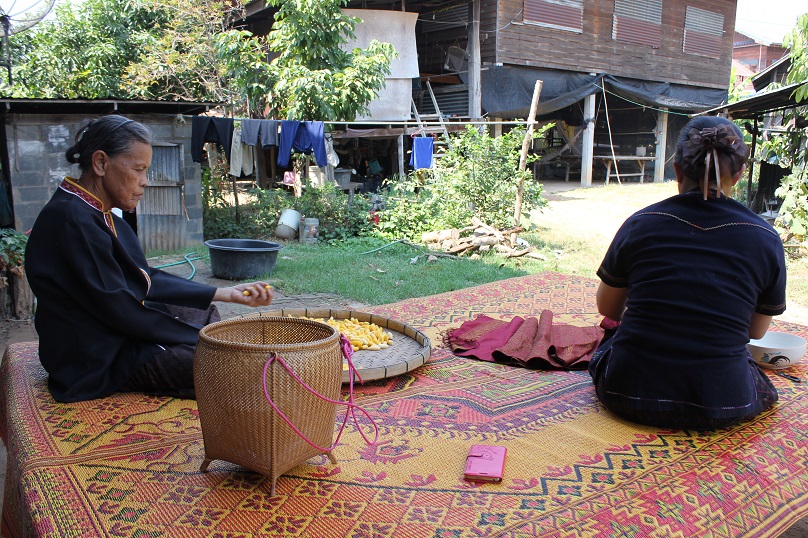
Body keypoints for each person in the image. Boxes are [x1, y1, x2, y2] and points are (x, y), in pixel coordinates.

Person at [25, 115, 274, 403]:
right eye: (138, 169)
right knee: (227, 361)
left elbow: (142, 276)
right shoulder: (73, 220)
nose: (145, 182)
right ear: (101, 163)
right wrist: (200, 339)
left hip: (115, 327)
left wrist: (223, 293)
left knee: (203, 315)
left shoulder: (95, 210)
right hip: (93, 356)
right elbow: (120, 311)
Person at [588, 116, 787, 430]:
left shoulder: (641, 223)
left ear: (677, 169)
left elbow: (608, 308)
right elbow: (756, 331)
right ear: (739, 174)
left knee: (610, 343)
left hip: (626, 392)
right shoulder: (764, 237)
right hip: (724, 402)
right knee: (744, 365)